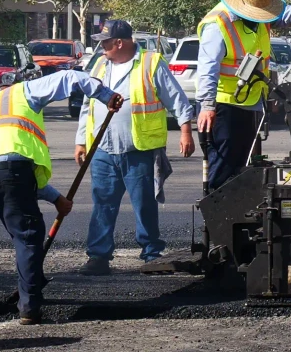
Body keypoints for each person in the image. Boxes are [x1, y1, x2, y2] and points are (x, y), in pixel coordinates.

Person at [0, 69, 123, 324]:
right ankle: (29, 308)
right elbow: (70, 78)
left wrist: (57, 199)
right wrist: (105, 95)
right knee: (26, 239)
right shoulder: (21, 93)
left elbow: (4, 168)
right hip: (13, 174)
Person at [74, 20, 198, 275]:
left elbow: (177, 98)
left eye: (105, 42)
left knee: (144, 203)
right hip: (103, 149)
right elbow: (87, 106)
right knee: (103, 203)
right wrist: (80, 140)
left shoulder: (150, 63)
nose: (102, 47)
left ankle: (151, 254)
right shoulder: (99, 65)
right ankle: (98, 257)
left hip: (138, 148)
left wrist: (186, 130)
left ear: (120, 42)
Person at [193, 0, 291, 193]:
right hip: (224, 105)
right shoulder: (218, 25)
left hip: (251, 102)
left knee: (243, 163)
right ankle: (218, 212)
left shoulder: (261, 18)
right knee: (223, 164)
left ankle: (236, 210)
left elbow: (285, 15)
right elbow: (207, 69)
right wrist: (207, 106)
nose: (263, 18)